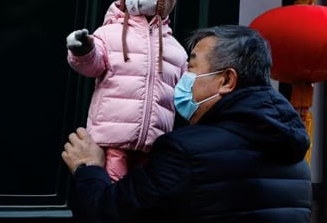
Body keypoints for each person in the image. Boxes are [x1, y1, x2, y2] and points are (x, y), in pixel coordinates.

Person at [62, 25, 312, 222]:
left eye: (191, 67)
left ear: (226, 80)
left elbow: (107, 213)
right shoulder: (296, 160)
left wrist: (88, 168)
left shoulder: (185, 151)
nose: (182, 79)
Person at [65, 0, 189, 182]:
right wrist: (82, 50)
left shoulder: (176, 49)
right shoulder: (108, 33)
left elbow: (186, 95)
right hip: (111, 139)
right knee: (111, 191)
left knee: (143, 197)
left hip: (154, 142)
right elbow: (93, 64)